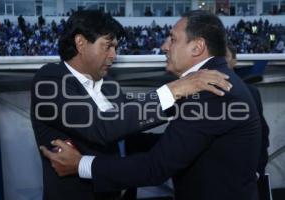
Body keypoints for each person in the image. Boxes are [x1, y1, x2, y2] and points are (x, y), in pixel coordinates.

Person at [41, 10, 262, 200]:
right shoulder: (51, 79)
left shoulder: (211, 88)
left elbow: (154, 163)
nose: (164, 46)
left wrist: (82, 164)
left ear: (197, 47)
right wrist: (174, 90)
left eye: (172, 39)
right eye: (108, 46)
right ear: (80, 43)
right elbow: (106, 127)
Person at [226, 42, 270, 200]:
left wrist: (258, 170)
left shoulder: (252, 92)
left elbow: (263, 134)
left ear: (234, 62)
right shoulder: (199, 95)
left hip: (246, 183)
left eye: (225, 57)